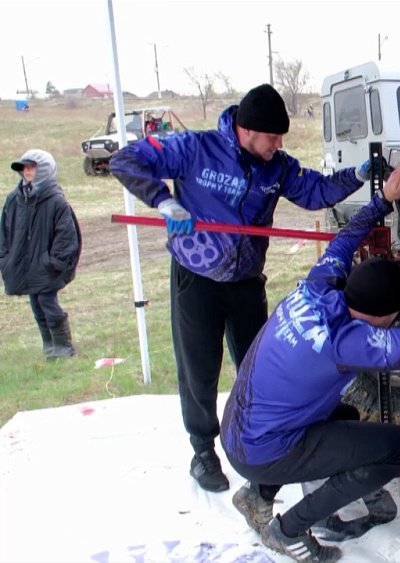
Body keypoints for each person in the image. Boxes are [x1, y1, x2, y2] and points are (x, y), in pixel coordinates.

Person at [110, 84, 383, 493]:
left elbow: (315, 192)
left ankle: (261, 443)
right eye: (273, 137)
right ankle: (203, 452)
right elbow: (126, 159)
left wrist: (356, 176)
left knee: (260, 367)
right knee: (199, 369)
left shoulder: (277, 167)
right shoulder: (195, 148)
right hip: (196, 280)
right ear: (247, 129)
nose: (278, 145)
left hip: (245, 282)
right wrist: (164, 201)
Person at [220, 164, 400, 562]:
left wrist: (385, 200)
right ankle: (287, 530)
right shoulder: (347, 343)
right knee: (396, 451)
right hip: (261, 451)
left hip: (238, 431)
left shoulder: (318, 285)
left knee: (344, 412)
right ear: (387, 318)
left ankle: (256, 495)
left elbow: (347, 237)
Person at [0, 150, 81, 360]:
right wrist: (6, 260)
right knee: (36, 304)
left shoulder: (56, 201)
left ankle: (63, 347)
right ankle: (49, 345)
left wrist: (53, 262)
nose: (27, 171)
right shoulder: (13, 200)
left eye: (32, 167)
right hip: (25, 266)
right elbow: (4, 233)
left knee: (47, 302)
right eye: (24, 167)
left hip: (45, 267)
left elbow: (66, 235)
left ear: (44, 169)